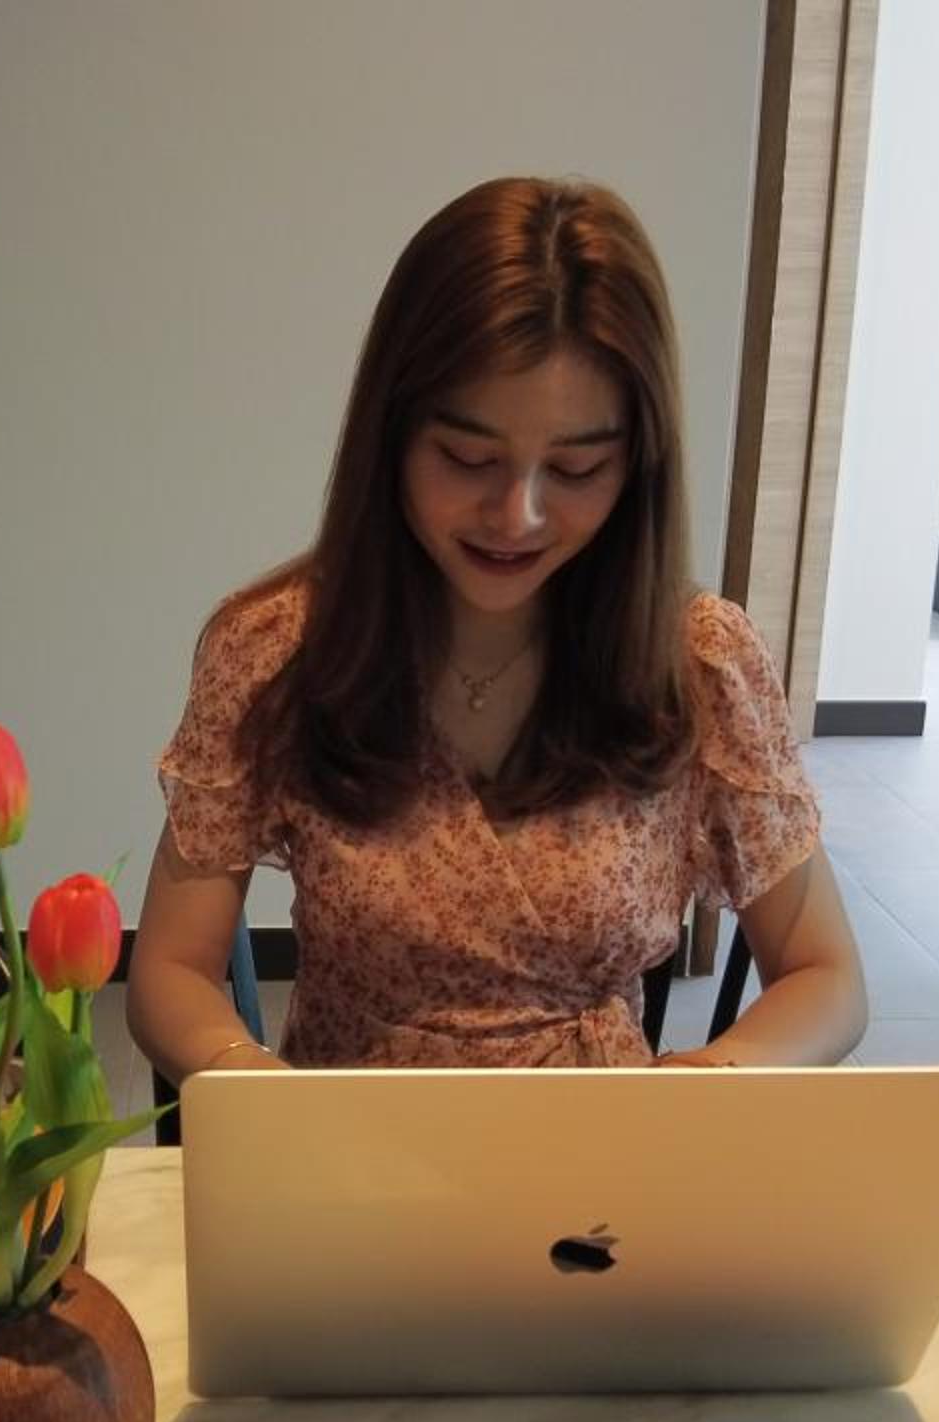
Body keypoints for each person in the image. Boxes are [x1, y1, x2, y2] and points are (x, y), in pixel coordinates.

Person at [128, 177, 867, 1082]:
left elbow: (828, 977)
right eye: (468, 457)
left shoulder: (696, 663)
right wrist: (245, 1080)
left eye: (576, 469)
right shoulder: (277, 650)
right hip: (352, 1139)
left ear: (636, 467)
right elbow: (171, 968)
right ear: (391, 436)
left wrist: (709, 1082)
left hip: (600, 1148)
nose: (517, 515)